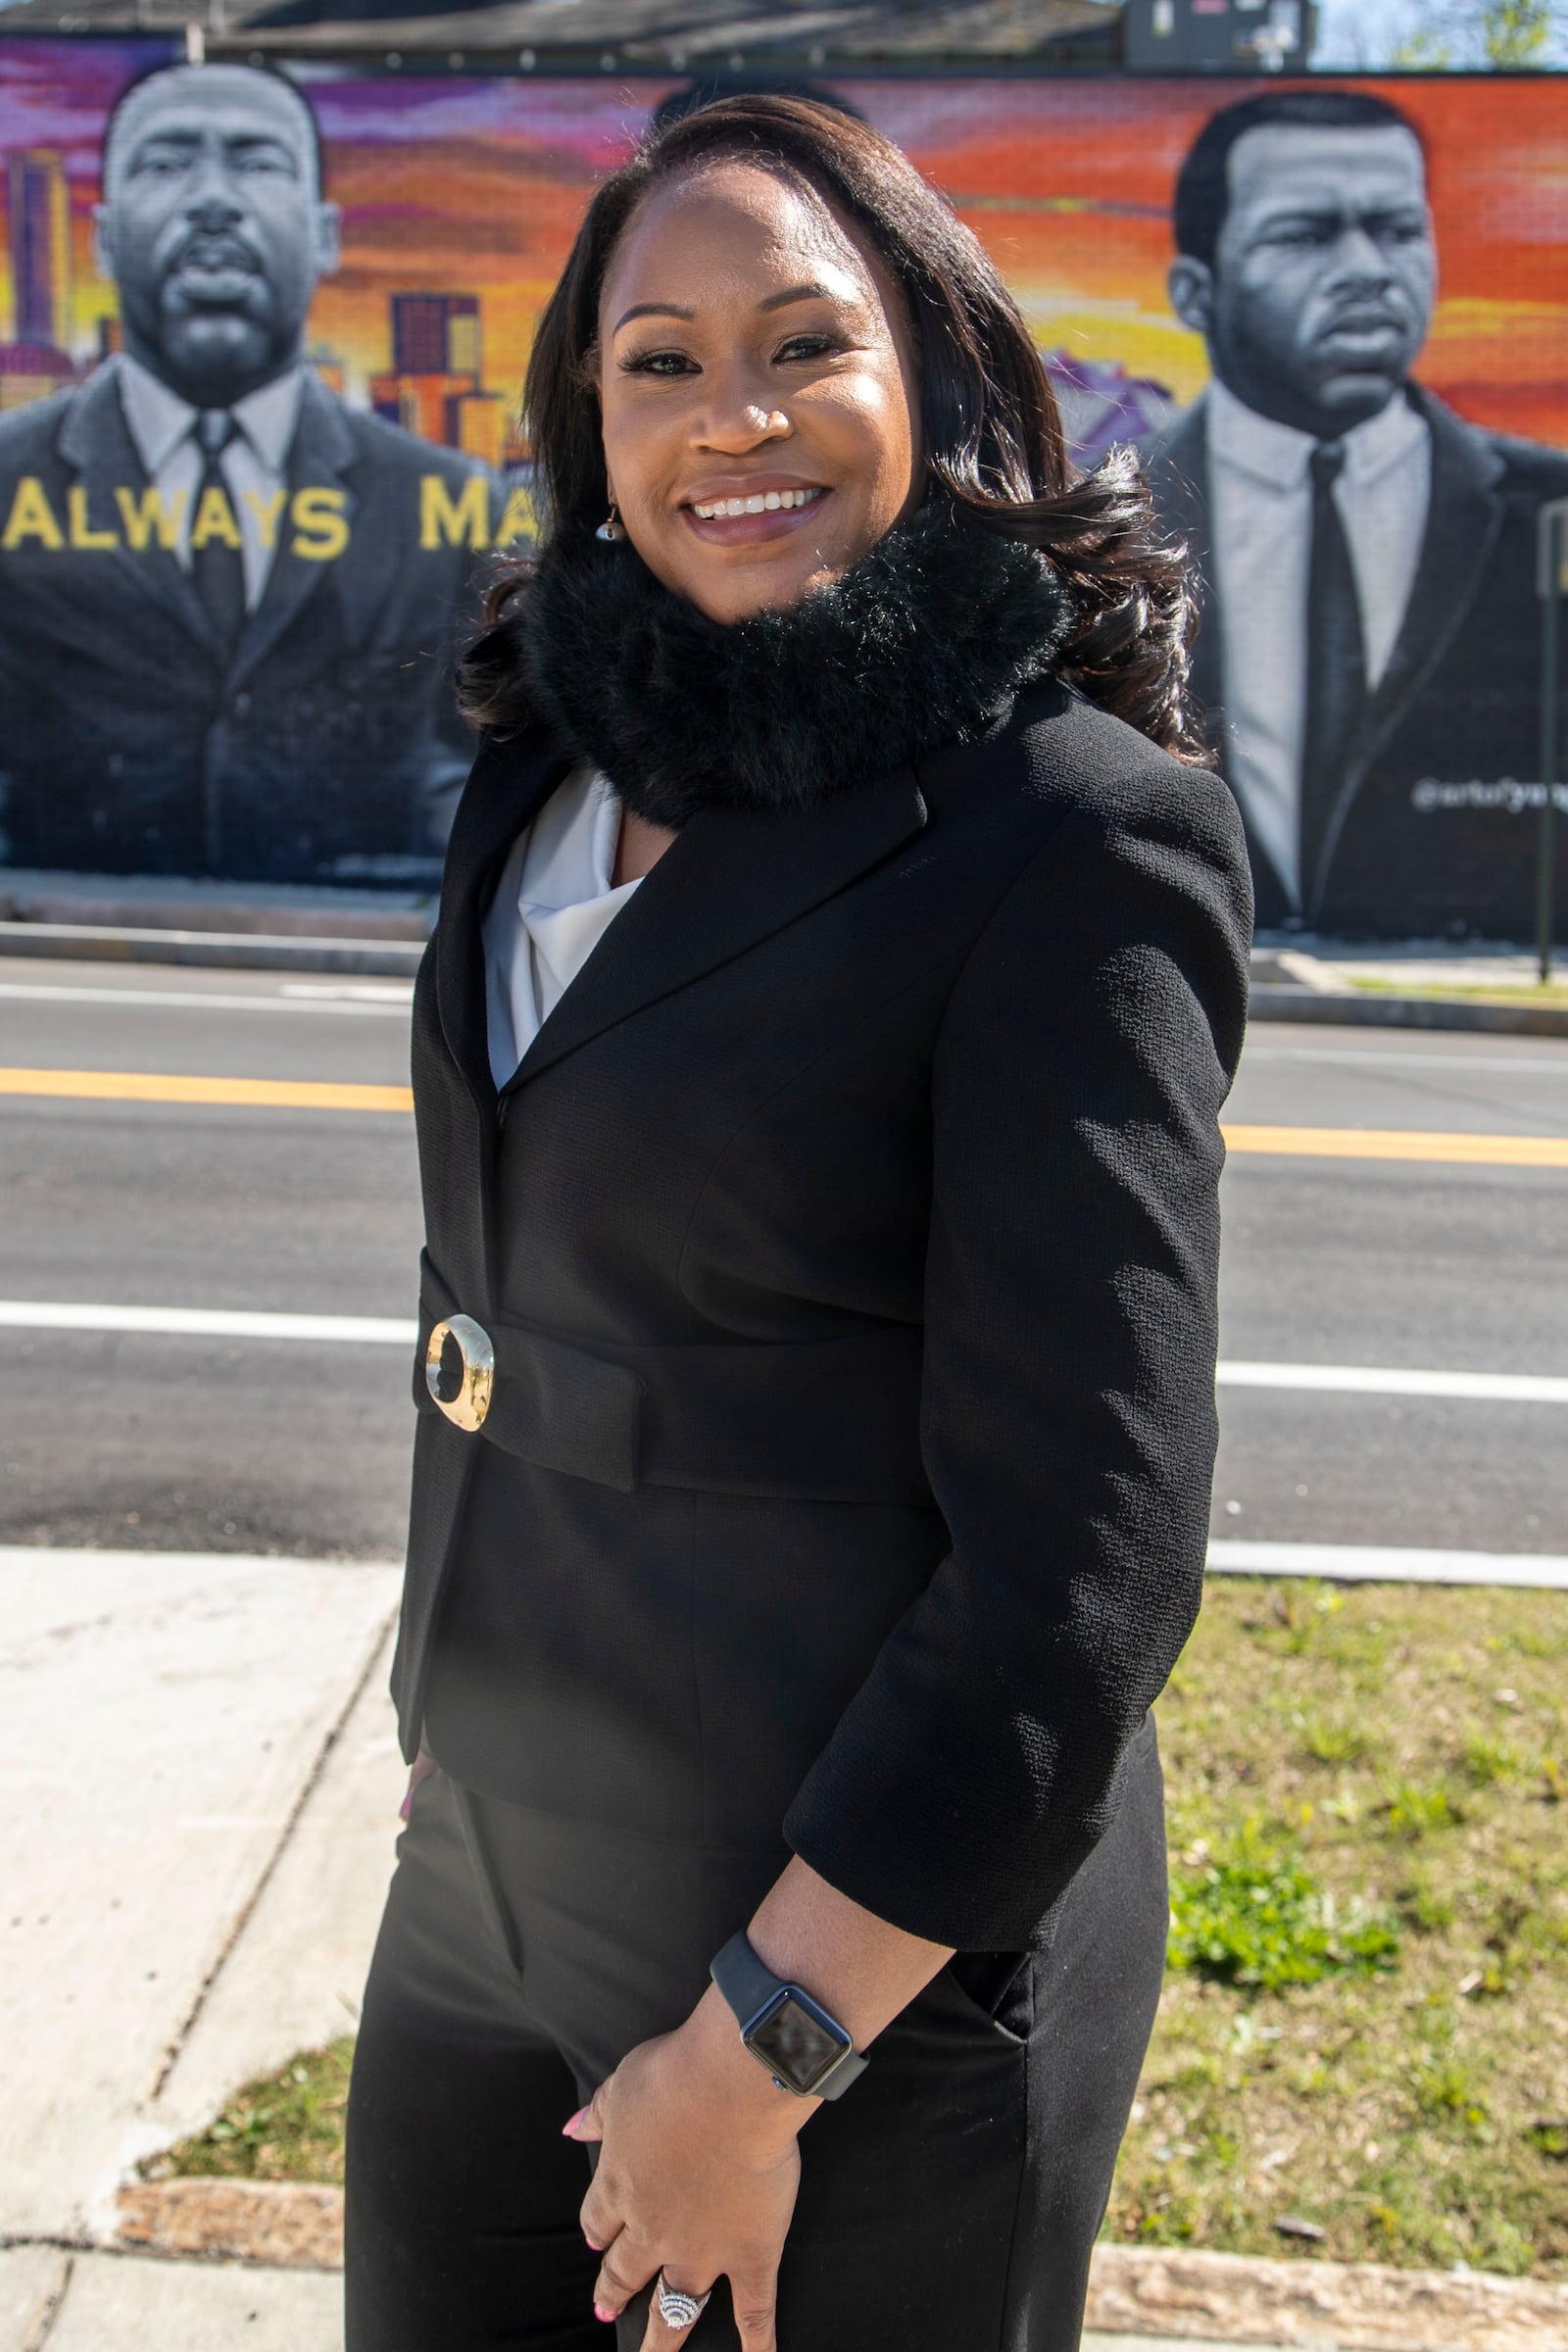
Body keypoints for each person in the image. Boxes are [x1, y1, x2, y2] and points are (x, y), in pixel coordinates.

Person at [346, 96, 1250, 2352]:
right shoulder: (549, 760)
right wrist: (447, 1707)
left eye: (796, 344)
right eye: (654, 360)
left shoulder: (1067, 833)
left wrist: (762, 2044)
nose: (726, 417)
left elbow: (1078, 1564)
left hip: (855, 1935)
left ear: (929, 375)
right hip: (491, 1863)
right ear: (587, 419)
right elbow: (501, 1283)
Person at [0, 62, 499, 884]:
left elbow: (468, 785)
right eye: (166, 163)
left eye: (257, 162)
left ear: (324, 234)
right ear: (103, 236)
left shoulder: (447, 501)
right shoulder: (11, 481)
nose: (212, 199)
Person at [1143, 87, 1568, 939]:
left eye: (1399, 230)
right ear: (1196, 292)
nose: (1369, 268)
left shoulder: (1547, 506)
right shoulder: (1103, 517)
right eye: (1304, 236)